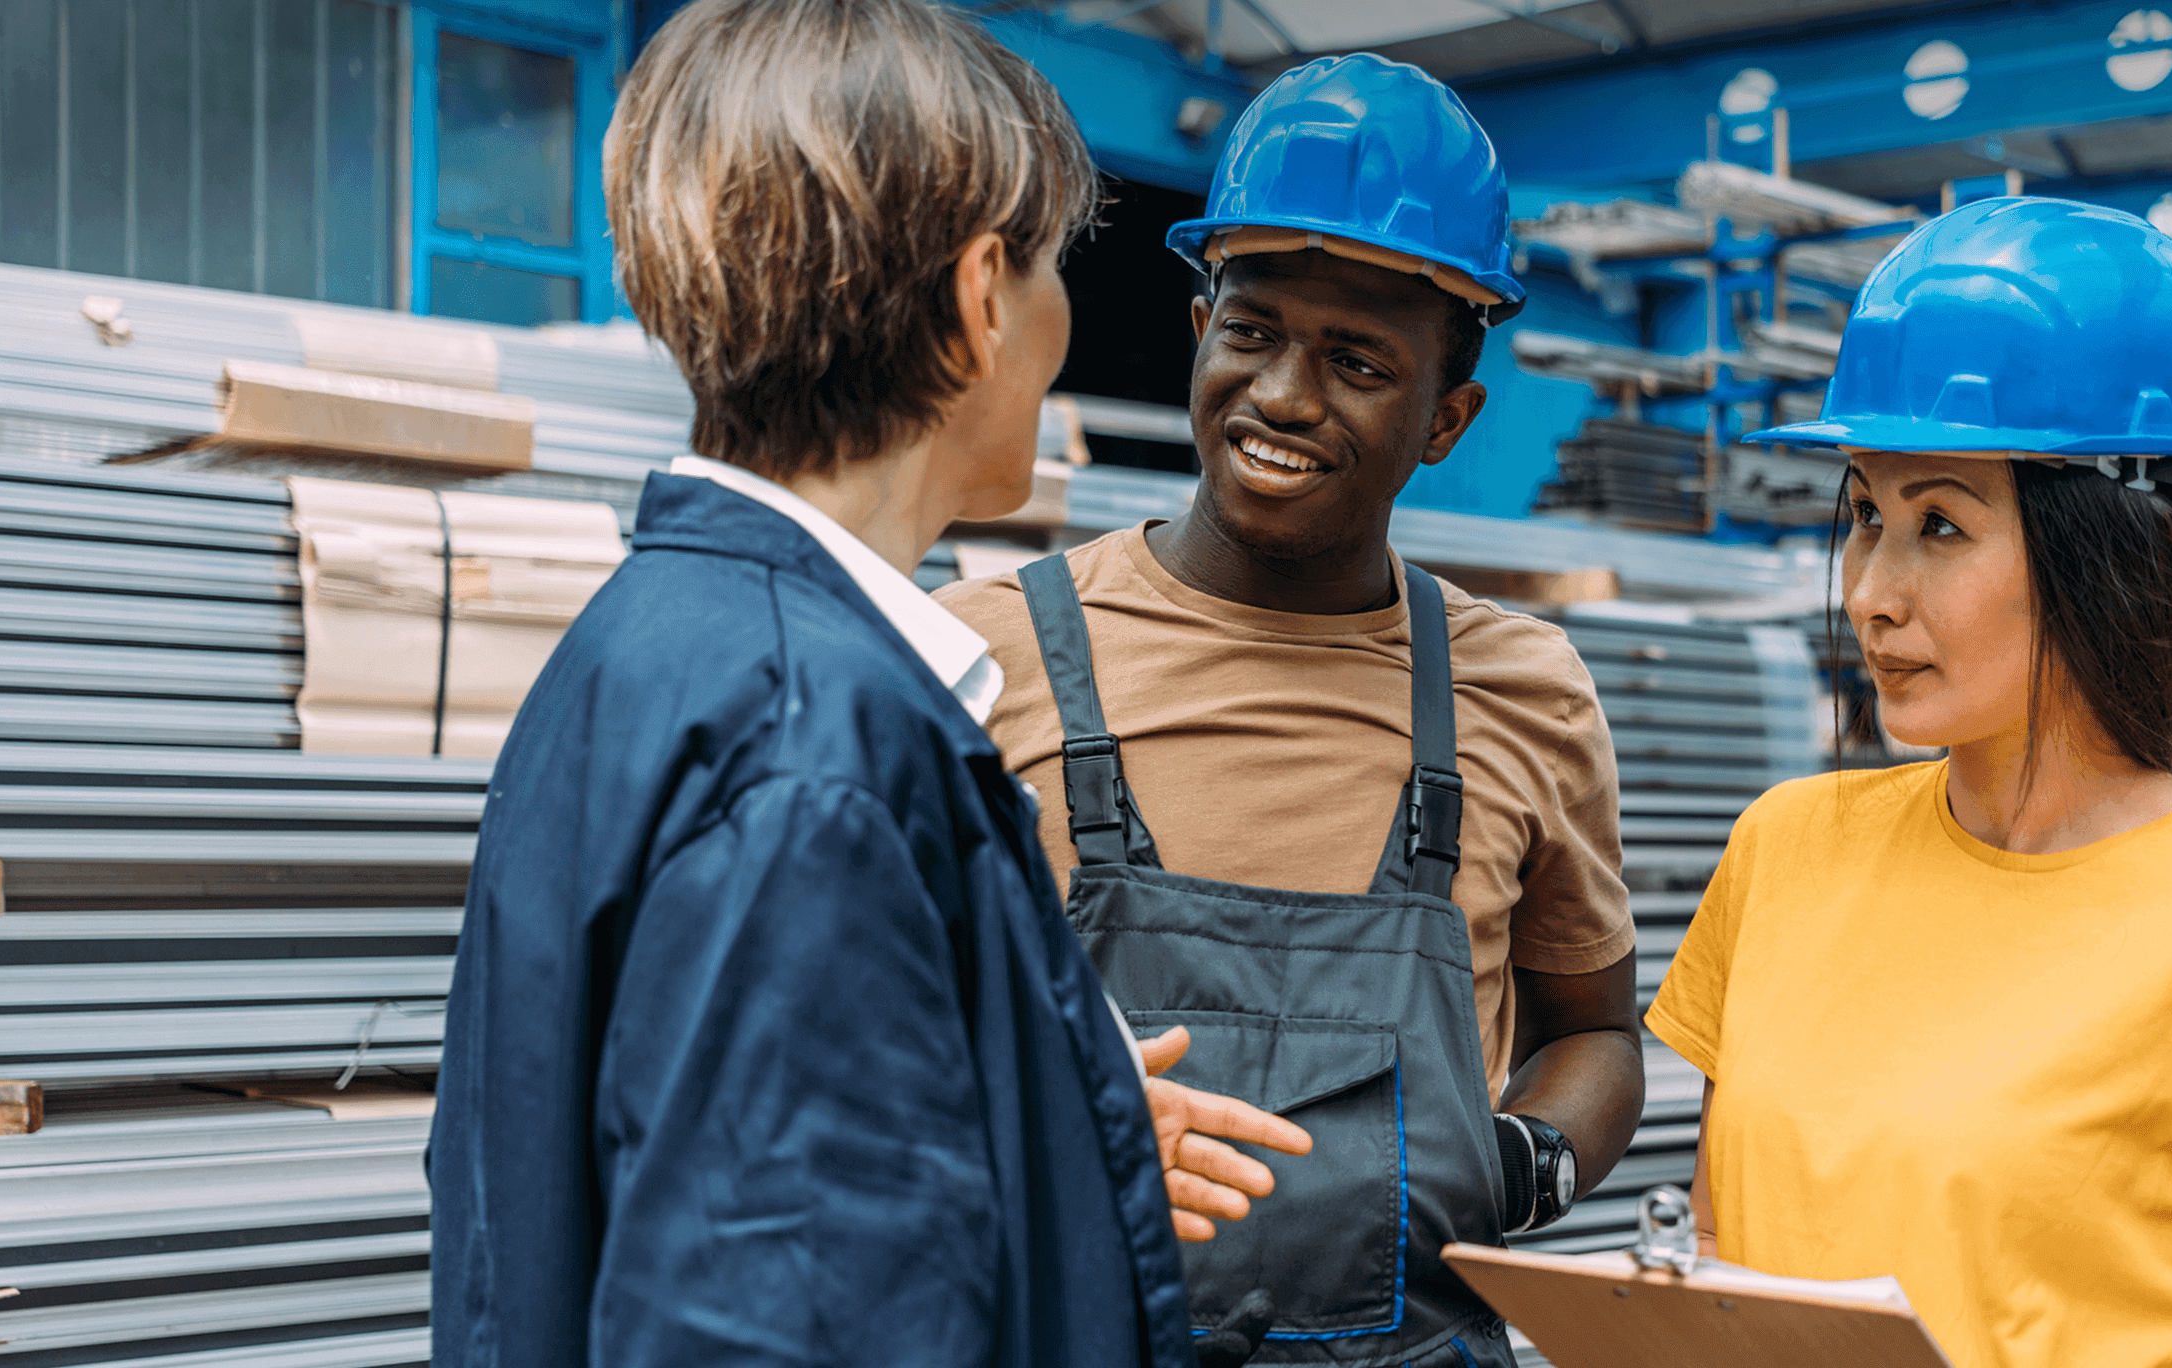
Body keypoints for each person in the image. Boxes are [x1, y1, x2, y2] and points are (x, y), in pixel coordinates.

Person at [428, 3, 1305, 1365]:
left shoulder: (647, 644)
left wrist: (1040, 1113)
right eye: (1047, 273)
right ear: (973, 305)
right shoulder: (811, 757)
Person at [1645, 197, 2172, 1368]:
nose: (1870, 590)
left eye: (1939, 525)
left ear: (2106, 554)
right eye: (1868, 515)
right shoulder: (1786, 851)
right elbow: (1728, 1244)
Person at [936, 54, 1643, 1368]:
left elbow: (1592, 1029)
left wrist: (1521, 1163)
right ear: (1199, 323)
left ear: (1447, 418)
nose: (1282, 397)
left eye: (1357, 361)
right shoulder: (983, 658)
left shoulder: (1522, 693)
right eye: (1250, 331)